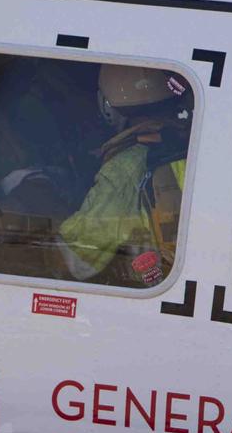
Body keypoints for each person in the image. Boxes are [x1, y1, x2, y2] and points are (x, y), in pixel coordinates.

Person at [57, 64, 191, 284]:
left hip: (149, 292)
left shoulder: (124, 168)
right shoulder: (196, 146)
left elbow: (79, 260)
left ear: (106, 106)